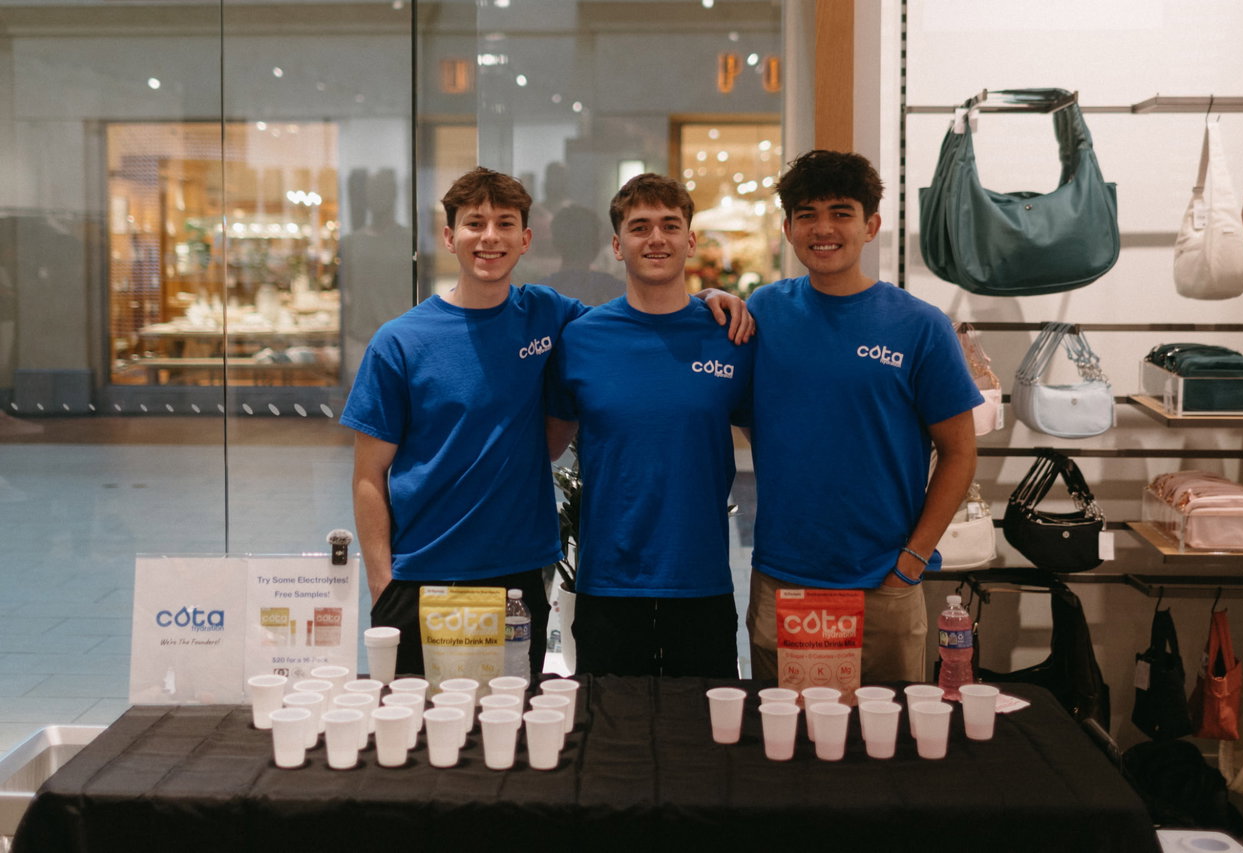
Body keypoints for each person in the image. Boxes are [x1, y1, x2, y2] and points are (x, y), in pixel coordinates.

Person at [342, 167, 752, 678]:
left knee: (514, 733)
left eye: (505, 223)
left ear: (526, 239)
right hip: (423, 575)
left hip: (518, 572)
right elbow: (367, 476)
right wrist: (382, 586)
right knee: (421, 736)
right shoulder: (400, 342)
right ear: (449, 236)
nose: (489, 238)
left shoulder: (552, 316)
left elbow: (640, 323)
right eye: (474, 224)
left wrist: (712, 299)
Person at [745, 149, 981, 684]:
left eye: (841, 212)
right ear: (787, 228)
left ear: (871, 225)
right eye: (806, 214)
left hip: (883, 582)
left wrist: (911, 562)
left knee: (886, 750)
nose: (822, 228)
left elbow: (961, 452)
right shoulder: (764, 312)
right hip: (783, 578)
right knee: (784, 746)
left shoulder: (920, 327)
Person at [545, 174, 754, 678]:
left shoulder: (730, 335)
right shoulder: (581, 339)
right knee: (609, 745)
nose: (656, 238)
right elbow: (545, 448)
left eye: (670, 225)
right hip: (607, 587)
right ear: (617, 245)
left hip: (702, 585)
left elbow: (777, 447)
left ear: (690, 239)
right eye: (640, 227)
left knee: (705, 744)